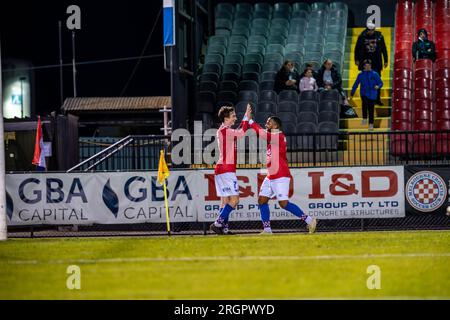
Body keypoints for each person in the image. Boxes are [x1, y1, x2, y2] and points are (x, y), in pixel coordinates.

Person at [248, 115, 317, 235]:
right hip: (271, 176)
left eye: (269, 122)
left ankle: (310, 220)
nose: (266, 123)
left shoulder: (278, 136)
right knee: (262, 200)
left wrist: (250, 121)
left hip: (280, 175)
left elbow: (263, 134)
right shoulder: (275, 138)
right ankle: (267, 229)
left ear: (275, 125)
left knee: (283, 203)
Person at [210, 104, 252, 235]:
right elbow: (241, 132)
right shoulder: (225, 131)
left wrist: (245, 119)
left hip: (221, 169)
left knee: (225, 201)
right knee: (235, 200)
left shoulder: (224, 130)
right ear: (226, 118)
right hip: (226, 169)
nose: (235, 118)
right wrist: (246, 117)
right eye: (233, 116)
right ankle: (217, 223)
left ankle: (224, 228)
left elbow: (238, 131)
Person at [354, 22, 388, 105]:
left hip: (376, 62)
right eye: (370, 30)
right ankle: (367, 98)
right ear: (367, 30)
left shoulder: (379, 36)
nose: (372, 32)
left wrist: (386, 60)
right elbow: (357, 48)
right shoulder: (361, 37)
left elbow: (384, 48)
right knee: (366, 81)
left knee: (377, 80)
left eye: (373, 30)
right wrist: (357, 59)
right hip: (365, 62)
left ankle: (377, 99)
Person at [349, 59, 383, 131]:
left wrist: (378, 86)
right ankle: (364, 118)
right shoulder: (360, 75)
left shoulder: (375, 74)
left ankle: (371, 124)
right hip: (364, 93)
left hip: (372, 94)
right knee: (364, 103)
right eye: (366, 66)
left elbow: (380, 83)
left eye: (369, 65)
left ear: (371, 66)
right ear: (364, 66)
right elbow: (356, 84)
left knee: (371, 109)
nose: (367, 67)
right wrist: (352, 93)